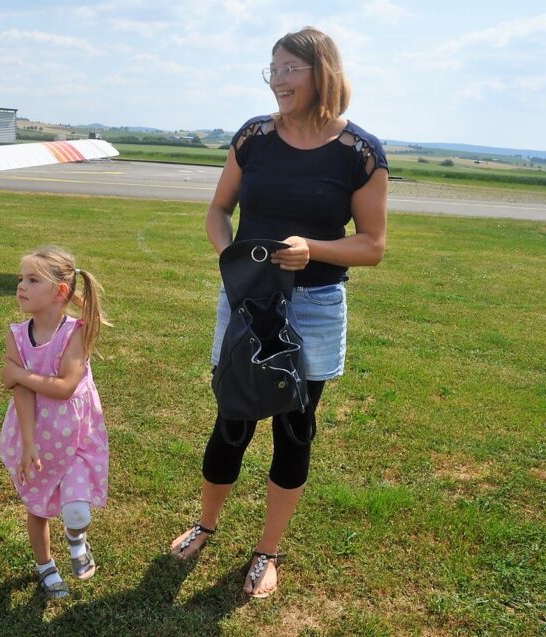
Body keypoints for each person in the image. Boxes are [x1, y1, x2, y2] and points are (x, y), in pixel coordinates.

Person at [170, 26, 388, 598]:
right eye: (272, 68)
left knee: (295, 429)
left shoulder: (359, 152)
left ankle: (267, 551)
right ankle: (206, 525)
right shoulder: (252, 137)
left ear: (323, 73)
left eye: (290, 68)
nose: (278, 80)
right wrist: (233, 258)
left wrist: (313, 250)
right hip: (247, 302)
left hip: (315, 306)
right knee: (233, 417)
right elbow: (219, 212)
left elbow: (372, 245)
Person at [0, 246, 110, 600]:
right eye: (21, 278)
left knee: (76, 510)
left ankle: (77, 539)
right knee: (39, 507)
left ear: (59, 292)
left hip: (77, 435)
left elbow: (64, 388)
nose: (21, 286)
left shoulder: (75, 332)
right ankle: (45, 565)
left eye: (32, 279)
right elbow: (22, 396)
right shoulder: (17, 335)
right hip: (38, 438)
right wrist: (29, 444)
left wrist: (18, 373)